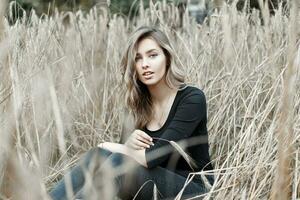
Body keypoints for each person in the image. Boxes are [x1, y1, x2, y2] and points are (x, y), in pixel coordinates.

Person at [48, 26, 214, 200]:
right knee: (98, 156)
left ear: (167, 58)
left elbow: (152, 157)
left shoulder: (192, 98)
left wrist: (111, 145)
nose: (145, 64)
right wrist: (126, 145)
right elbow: (118, 158)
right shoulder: (137, 104)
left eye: (152, 55)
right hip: (151, 182)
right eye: (138, 58)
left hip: (194, 188)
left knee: (117, 161)